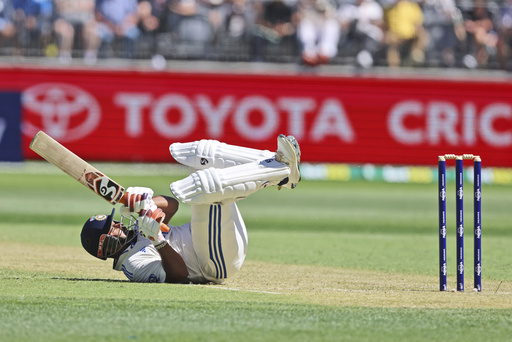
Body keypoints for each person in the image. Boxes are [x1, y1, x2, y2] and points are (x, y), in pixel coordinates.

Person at [80, 134, 301, 284]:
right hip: (213, 263)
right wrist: (157, 240)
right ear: (105, 246)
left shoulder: (135, 234)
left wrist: (145, 204)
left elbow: (172, 205)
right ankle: (278, 174)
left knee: (200, 154)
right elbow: (179, 276)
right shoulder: (133, 265)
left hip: (217, 240)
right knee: (200, 187)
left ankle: (277, 162)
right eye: (112, 227)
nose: (118, 224)